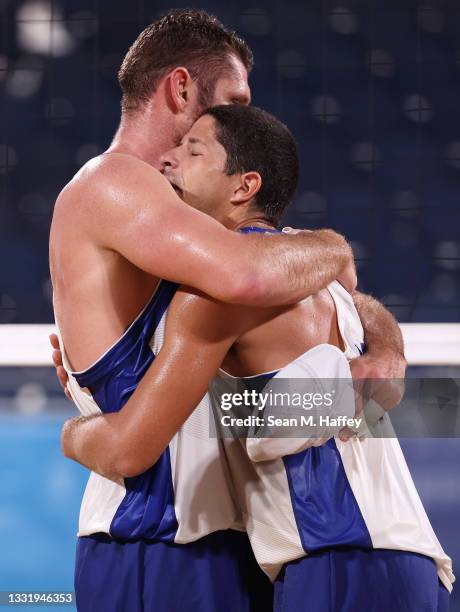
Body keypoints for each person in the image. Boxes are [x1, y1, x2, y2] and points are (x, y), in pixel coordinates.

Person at [49, 9, 405, 611]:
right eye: (235, 98)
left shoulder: (208, 225)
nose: (242, 115)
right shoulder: (115, 182)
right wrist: (334, 245)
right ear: (180, 87)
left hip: (240, 538)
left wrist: (383, 354)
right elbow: (249, 277)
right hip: (156, 540)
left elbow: (251, 398)